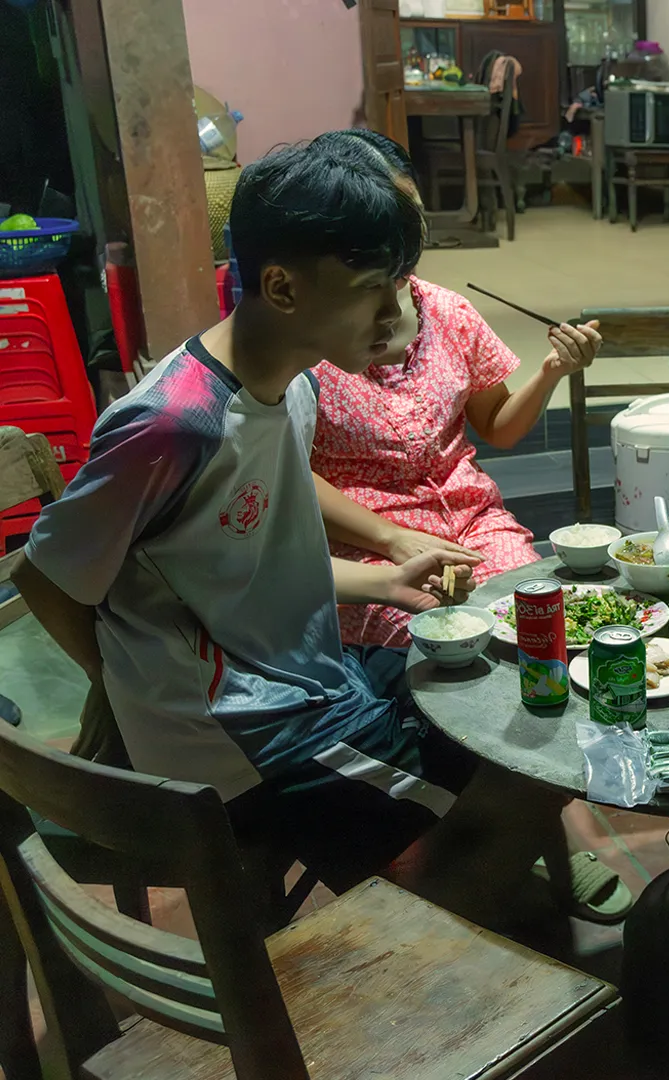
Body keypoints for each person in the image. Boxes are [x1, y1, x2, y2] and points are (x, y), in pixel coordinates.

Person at [12, 137, 562, 933]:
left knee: (498, 702)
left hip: (305, 675)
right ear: (280, 286)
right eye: (374, 289)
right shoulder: (174, 425)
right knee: (525, 789)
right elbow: (45, 575)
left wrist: (380, 578)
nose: (394, 314)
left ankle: (415, 892)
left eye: (399, 286)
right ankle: (402, 959)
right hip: (249, 729)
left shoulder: (288, 384)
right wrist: (133, 688)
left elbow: (243, 563)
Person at [303, 129, 603, 648]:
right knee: (438, 644)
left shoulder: (447, 311)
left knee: (538, 618)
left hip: (471, 522)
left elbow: (498, 428)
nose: (412, 234)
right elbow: (286, 472)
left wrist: (553, 370)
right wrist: (392, 538)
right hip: (366, 544)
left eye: (415, 214)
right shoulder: (311, 335)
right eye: (396, 217)